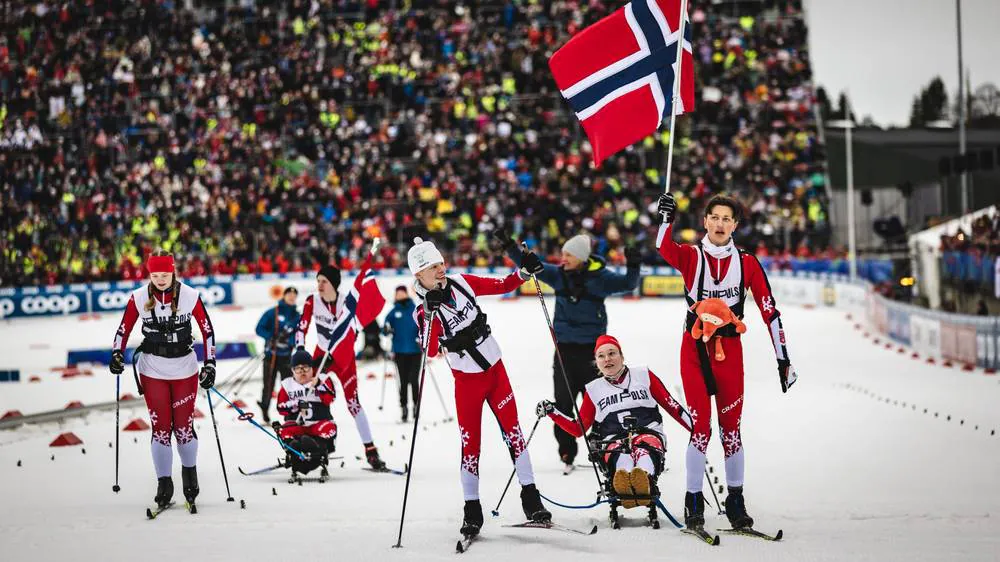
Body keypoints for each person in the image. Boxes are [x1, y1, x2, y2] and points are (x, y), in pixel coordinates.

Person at [655, 192, 797, 531]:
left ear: (735, 225)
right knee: (700, 429)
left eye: (726, 219)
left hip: (730, 354)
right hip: (694, 351)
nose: (720, 224)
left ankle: (736, 500)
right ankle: (693, 501)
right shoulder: (691, 256)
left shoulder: (747, 262)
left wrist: (783, 359)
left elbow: (769, 310)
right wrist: (665, 219)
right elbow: (663, 248)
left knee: (731, 430)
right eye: (714, 217)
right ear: (705, 221)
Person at [408, 236, 551, 537]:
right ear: (418, 275)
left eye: (440, 263)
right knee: (471, 446)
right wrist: (432, 313)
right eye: (431, 267)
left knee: (514, 433)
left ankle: (531, 498)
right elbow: (430, 350)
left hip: (497, 373)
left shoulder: (461, 283)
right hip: (467, 384)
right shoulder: (422, 310)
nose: (440, 269)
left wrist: (524, 272)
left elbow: (501, 285)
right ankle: (472, 509)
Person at [496, 230, 641, 473]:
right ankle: (567, 451)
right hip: (564, 352)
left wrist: (634, 264)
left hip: (594, 355)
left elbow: (629, 283)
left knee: (597, 404)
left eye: (568, 254)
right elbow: (530, 263)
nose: (562, 258)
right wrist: (510, 246)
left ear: (582, 257)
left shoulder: (601, 278)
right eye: (562, 253)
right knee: (563, 404)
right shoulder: (557, 275)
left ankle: (601, 448)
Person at [109, 249, 217, 509]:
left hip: (185, 370)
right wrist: (116, 354)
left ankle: (189, 473)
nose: (159, 279)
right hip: (152, 370)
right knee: (160, 431)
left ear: (173, 271)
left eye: (164, 274)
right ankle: (164, 483)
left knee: (182, 429)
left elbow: (208, 331)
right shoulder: (138, 297)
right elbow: (123, 330)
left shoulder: (190, 296)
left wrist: (210, 364)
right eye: (155, 274)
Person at [536, 335, 691, 508]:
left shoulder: (643, 375)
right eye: (601, 356)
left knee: (644, 450)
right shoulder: (594, 389)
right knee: (620, 453)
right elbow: (579, 429)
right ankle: (623, 482)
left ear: (622, 356)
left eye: (612, 353)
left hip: (648, 431)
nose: (607, 359)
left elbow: (671, 405)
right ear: (596, 362)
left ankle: (644, 480)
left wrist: (694, 428)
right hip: (614, 438)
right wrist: (553, 412)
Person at [295, 258, 387, 470]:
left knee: (353, 404)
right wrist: (300, 349)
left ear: (334, 284)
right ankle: (311, 445)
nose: (319, 285)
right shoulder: (312, 301)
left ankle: (371, 451)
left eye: (324, 281)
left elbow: (356, 329)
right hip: (320, 356)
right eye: (318, 280)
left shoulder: (348, 302)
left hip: (343, 358)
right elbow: (302, 327)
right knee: (313, 399)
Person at [276, 348, 338, 478]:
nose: (302, 372)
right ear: (292, 370)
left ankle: (316, 450)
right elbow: (281, 408)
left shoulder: (322, 379)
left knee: (329, 428)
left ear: (312, 368)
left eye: (305, 368)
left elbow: (330, 398)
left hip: (318, 424)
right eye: (298, 369)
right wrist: (295, 404)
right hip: (298, 426)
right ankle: (295, 453)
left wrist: (319, 385)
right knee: (284, 430)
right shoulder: (288, 385)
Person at [254, 287, 300, 423]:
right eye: (289, 294)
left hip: (286, 356)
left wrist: (289, 340)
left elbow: (299, 334)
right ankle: (265, 409)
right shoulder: (272, 312)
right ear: (284, 296)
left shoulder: (296, 316)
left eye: (294, 295)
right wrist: (271, 337)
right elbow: (259, 328)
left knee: (288, 385)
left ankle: (290, 413)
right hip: (271, 356)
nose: (292, 297)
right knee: (268, 384)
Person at [382, 285, 421, 422]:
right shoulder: (393, 312)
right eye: (397, 293)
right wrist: (387, 330)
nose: (399, 296)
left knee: (414, 380)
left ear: (406, 293)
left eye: (401, 293)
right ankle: (404, 408)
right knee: (403, 381)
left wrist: (420, 337)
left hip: (415, 350)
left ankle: (416, 407)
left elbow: (423, 325)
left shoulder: (415, 310)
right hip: (399, 352)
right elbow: (385, 329)